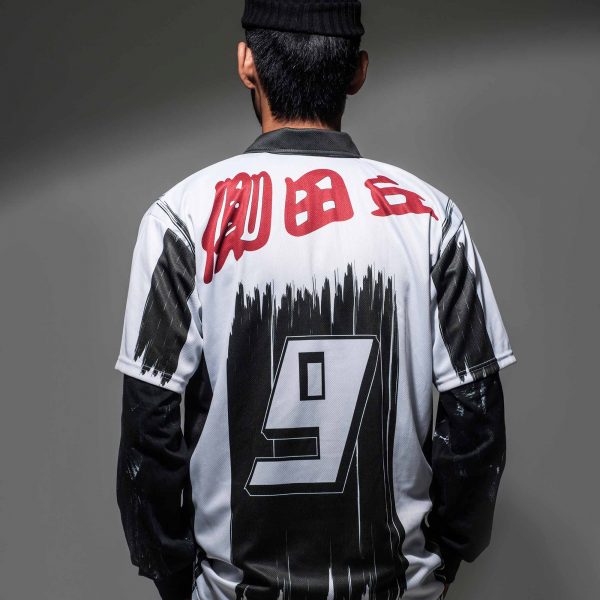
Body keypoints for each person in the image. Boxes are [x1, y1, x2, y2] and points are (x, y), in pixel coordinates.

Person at [114, 2, 518, 600]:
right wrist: (443, 559)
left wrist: (176, 579)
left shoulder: (181, 218)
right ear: (357, 72)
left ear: (246, 63)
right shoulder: (432, 219)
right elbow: (477, 421)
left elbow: (149, 432)